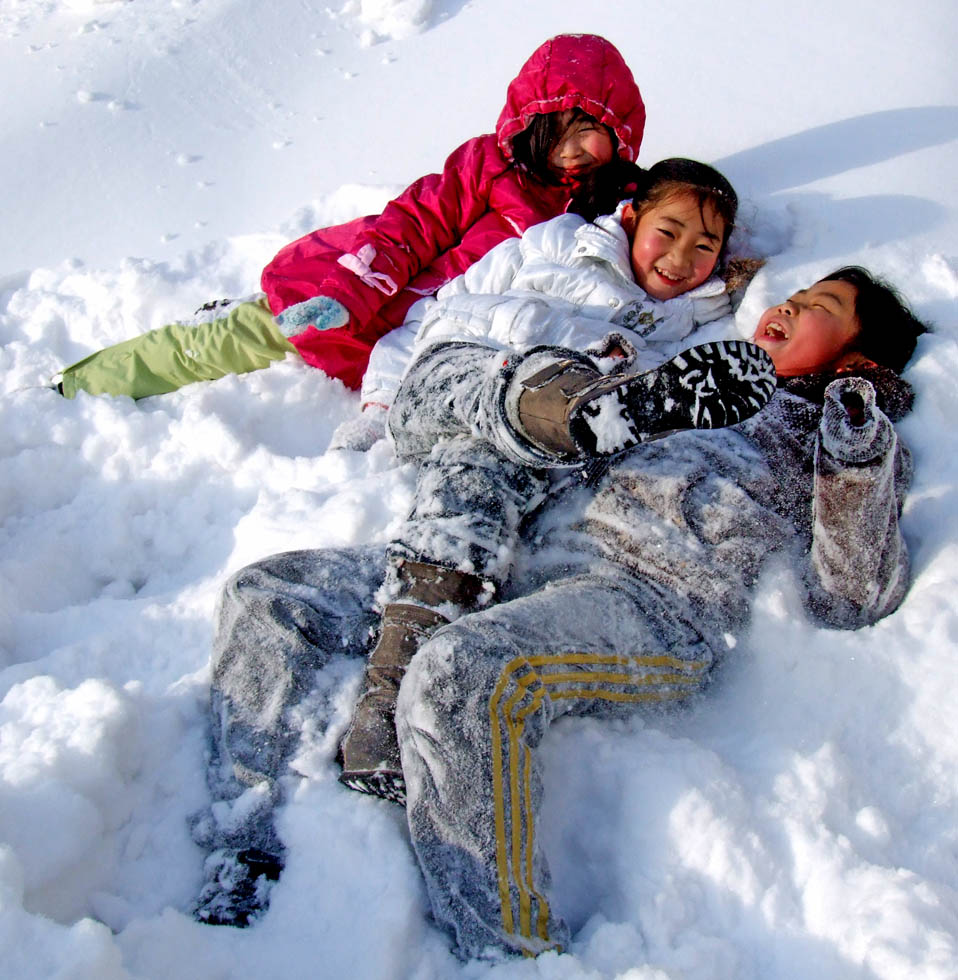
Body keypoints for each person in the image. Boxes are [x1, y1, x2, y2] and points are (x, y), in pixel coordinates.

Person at [190, 266, 925, 956]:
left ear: (858, 362)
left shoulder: (833, 436)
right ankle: (246, 836)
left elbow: (852, 593)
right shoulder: (678, 381)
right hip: (524, 561)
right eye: (793, 295)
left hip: (650, 603)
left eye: (821, 309)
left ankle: (508, 950)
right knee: (271, 596)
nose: (790, 306)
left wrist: (856, 447)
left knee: (467, 673)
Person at [336, 158, 770, 799]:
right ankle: (572, 409)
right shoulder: (555, 243)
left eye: (705, 247)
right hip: (458, 376)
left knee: (477, 481)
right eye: (669, 230)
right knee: (512, 404)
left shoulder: (693, 328)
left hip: (530, 449)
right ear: (630, 216)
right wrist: (378, 404)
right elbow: (439, 307)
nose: (681, 258)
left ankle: (388, 706)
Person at [52, 34, 646, 400]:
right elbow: (415, 224)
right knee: (224, 344)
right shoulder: (487, 166)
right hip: (350, 289)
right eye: (560, 129)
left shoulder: (608, 210)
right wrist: (351, 293)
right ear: (531, 122)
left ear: (618, 136)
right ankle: (81, 385)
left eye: (591, 132)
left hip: (418, 342)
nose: (573, 149)